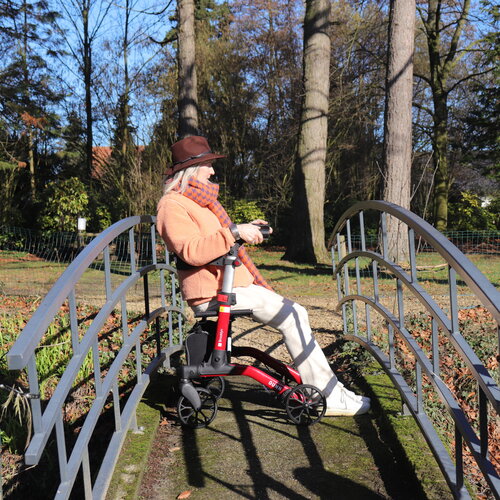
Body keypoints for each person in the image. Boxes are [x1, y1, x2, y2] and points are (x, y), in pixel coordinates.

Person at [156, 135, 370, 416]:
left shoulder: (200, 201)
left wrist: (242, 229)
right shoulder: (172, 205)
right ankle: (329, 398)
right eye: (207, 165)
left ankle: (332, 389)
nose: (212, 171)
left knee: (296, 313)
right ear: (191, 170)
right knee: (293, 316)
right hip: (212, 292)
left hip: (232, 285)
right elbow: (190, 250)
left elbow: (215, 238)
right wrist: (234, 232)